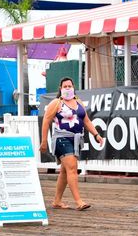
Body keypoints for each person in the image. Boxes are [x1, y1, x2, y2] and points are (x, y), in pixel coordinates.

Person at [40, 77, 103, 211]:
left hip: (76, 139)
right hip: (61, 138)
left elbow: (86, 121)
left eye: (70, 86)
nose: (68, 88)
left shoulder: (79, 102)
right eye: (65, 86)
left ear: (74, 87)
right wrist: (44, 141)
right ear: (60, 89)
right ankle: (79, 201)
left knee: (65, 170)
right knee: (72, 168)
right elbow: (46, 121)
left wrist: (96, 134)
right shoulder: (56, 103)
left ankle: (57, 201)